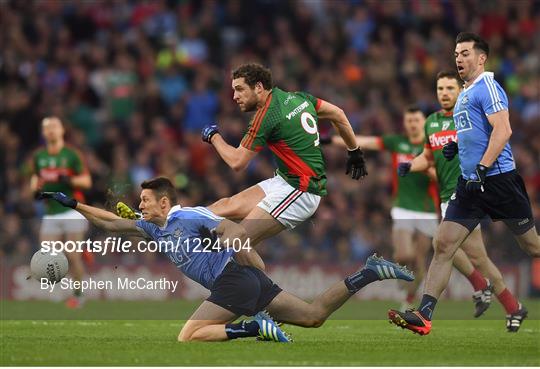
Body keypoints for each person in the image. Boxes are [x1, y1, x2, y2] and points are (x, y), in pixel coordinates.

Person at [37, 177, 414, 343]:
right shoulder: (155, 227)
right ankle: (368, 273)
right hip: (242, 281)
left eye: (146, 201)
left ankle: (251, 329)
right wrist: (73, 204)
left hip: (235, 279)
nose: (140, 207)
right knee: (314, 316)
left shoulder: (190, 217)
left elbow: (233, 231)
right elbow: (112, 222)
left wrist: (253, 261)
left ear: (165, 202)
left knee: (188, 337)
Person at [388, 32, 539, 335]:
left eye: (466, 53)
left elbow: (503, 130)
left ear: (481, 58)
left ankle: (508, 304)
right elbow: (476, 132)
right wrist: (457, 148)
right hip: (469, 185)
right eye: (456, 53)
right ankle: (425, 315)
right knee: (443, 245)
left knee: (532, 246)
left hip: (498, 180)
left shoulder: (489, 87)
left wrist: (483, 166)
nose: (459, 58)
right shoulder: (465, 95)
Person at [201, 63, 367, 256]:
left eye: (239, 89)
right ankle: (172, 228)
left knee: (234, 242)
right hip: (285, 181)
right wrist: (354, 151)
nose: (235, 96)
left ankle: (271, 288)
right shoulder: (299, 98)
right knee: (220, 208)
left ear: (259, 87)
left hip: (301, 191)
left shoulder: (267, 115)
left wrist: (213, 136)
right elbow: (338, 114)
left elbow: (237, 162)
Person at [330, 106, 439, 310]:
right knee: (404, 255)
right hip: (403, 207)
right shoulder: (397, 142)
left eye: (416, 120)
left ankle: (408, 300)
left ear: (424, 123)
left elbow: (441, 175)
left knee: (419, 259)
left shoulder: (432, 146)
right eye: (409, 120)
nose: (413, 124)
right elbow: (367, 142)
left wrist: (427, 169)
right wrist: (333, 140)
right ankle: (403, 276)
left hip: (427, 209)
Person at [30, 116, 92, 308]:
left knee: (72, 255)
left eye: (54, 126)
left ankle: (79, 294)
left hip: (72, 209)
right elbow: (35, 180)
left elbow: (87, 181)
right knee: (47, 254)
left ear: (62, 130)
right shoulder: (39, 157)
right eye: (47, 127)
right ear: (43, 133)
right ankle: (58, 291)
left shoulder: (72, 155)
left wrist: (69, 180)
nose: (51, 130)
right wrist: (35, 188)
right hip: (51, 212)